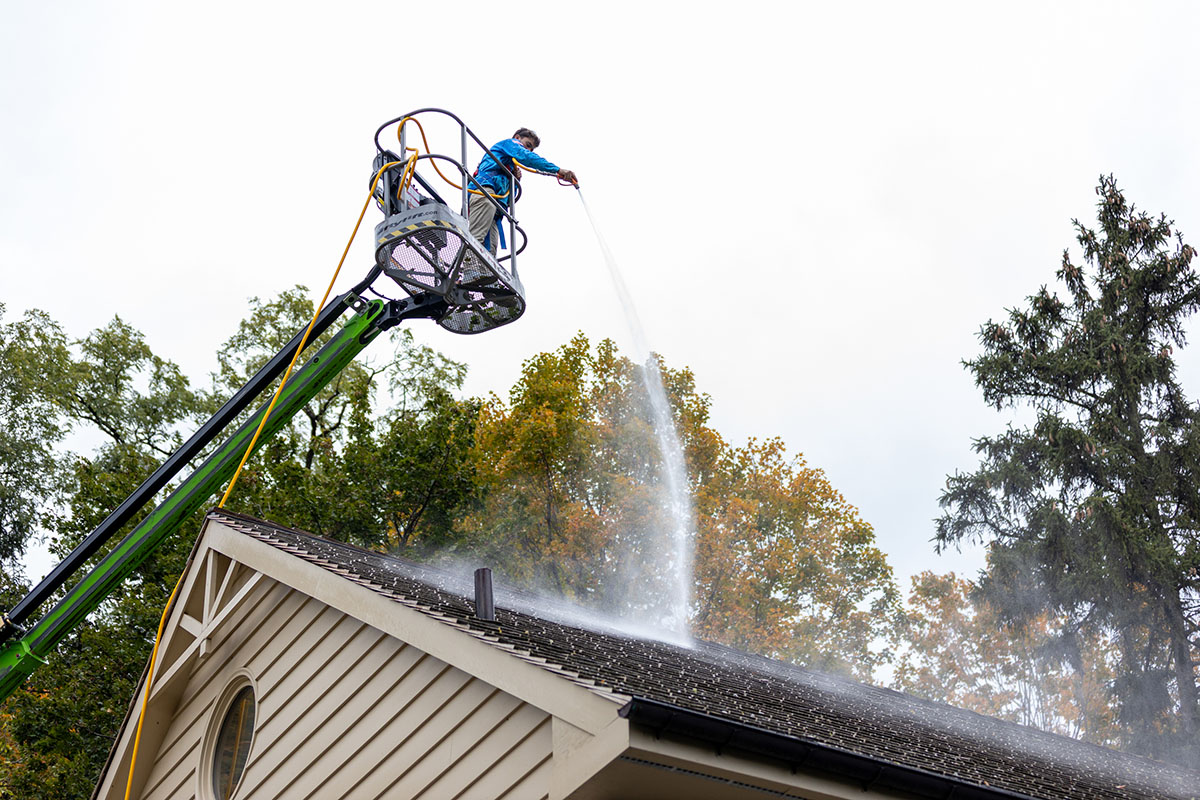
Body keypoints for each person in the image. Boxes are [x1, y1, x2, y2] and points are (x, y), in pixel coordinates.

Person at [467, 128, 578, 253]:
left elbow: (509, 198)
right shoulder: (509, 143)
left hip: (495, 207)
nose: (528, 150)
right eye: (528, 145)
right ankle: (468, 264)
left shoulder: (509, 167)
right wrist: (557, 170)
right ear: (517, 137)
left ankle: (480, 271)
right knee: (476, 237)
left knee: (491, 247)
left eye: (531, 149)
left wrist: (514, 180)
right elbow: (526, 156)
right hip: (483, 189)